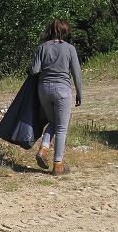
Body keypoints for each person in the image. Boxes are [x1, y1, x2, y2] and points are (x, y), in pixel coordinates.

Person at [30, 19, 83, 175]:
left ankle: (43, 149)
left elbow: (34, 70)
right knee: (61, 128)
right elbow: (77, 73)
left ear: (51, 31)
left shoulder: (42, 47)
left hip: (44, 89)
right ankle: (58, 165)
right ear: (65, 32)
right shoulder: (70, 49)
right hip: (62, 90)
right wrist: (79, 93)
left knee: (53, 122)